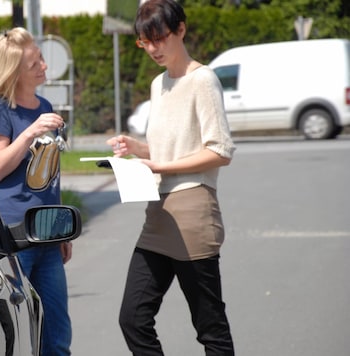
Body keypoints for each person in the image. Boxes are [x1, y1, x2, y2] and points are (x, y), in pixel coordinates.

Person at [107, 1, 236, 355]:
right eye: (144, 42)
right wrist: (139, 148)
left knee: (210, 328)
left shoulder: (203, 80)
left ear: (180, 29)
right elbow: (171, 148)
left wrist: (161, 167)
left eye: (158, 38)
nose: (152, 48)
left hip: (194, 212)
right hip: (158, 214)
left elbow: (220, 151)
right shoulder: (158, 85)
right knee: (132, 318)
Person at [0, 27, 73, 356]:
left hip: (47, 236)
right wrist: (30, 132)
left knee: (57, 338)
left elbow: (50, 175)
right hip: (16, 240)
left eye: (41, 59)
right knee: (20, 337)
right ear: (14, 71)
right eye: (35, 63)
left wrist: (61, 229)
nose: (44, 66)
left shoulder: (44, 104)